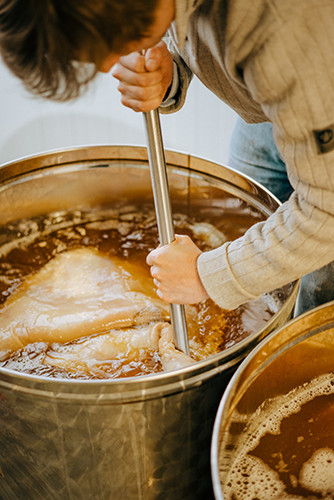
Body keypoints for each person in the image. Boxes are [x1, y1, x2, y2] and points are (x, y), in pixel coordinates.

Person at [1, 0, 334, 315]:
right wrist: (172, 69)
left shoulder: (283, 25)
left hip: (317, 105)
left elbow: (326, 213)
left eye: (109, 44)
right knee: (247, 248)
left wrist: (208, 275)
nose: (106, 64)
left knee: (319, 287)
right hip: (275, 108)